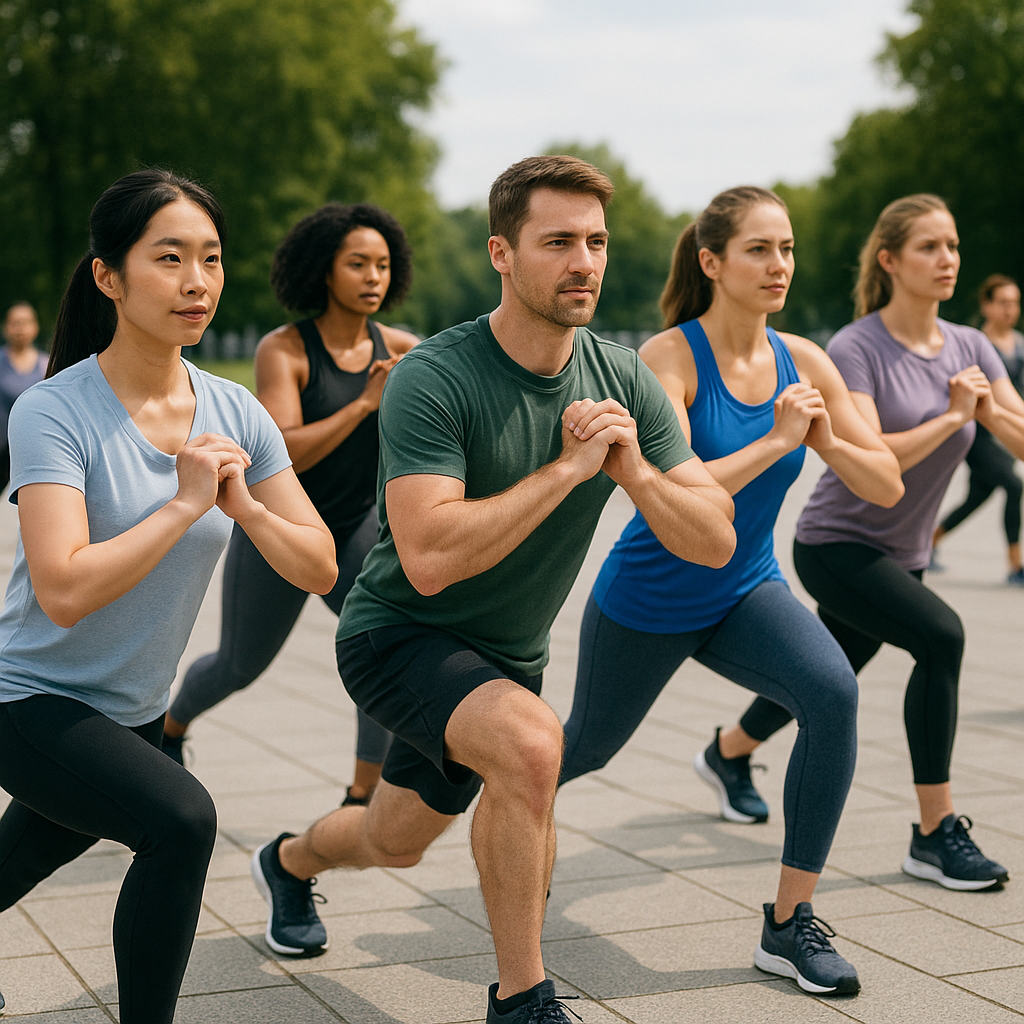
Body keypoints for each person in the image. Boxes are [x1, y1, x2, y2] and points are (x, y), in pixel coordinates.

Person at [250, 155, 737, 1024]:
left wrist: (633, 471)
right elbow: (430, 555)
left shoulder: (622, 378)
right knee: (531, 749)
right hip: (396, 636)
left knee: (390, 841)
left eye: (596, 242)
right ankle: (523, 1001)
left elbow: (714, 538)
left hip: (502, 658)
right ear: (502, 254)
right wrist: (566, 468)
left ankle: (288, 863)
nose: (584, 261)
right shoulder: (434, 376)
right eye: (558, 242)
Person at [0, 169, 337, 1024]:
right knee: (181, 822)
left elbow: (320, 565)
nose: (197, 281)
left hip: (131, 710)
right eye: (170, 258)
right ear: (108, 277)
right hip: (29, 699)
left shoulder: (237, 413)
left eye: (212, 260)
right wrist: (185, 503)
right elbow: (65, 588)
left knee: (18, 861)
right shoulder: (52, 412)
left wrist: (246, 506)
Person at [559, 186, 903, 996]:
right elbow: (671, 486)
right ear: (712, 262)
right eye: (759, 249)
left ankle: (789, 925)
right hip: (648, 596)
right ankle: (499, 808)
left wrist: (823, 437)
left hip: (746, 588)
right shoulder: (667, 360)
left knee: (833, 694)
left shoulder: (805, 361)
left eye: (786, 249)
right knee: (581, 750)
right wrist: (780, 439)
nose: (778, 265)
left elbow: (884, 482)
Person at [722, 194, 1022, 893]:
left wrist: (988, 412)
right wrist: (953, 417)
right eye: (929, 247)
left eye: (952, 246)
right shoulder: (858, 347)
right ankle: (933, 833)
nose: (947, 259)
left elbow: (1014, 430)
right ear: (889, 260)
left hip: (904, 554)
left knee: (830, 671)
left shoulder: (972, 346)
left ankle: (729, 751)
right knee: (941, 637)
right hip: (839, 544)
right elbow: (873, 452)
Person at [163, 203, 417, 804]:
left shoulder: (406, 347)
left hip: (356, 527)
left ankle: (362, 796)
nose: (373, 277)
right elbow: (286, 451)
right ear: (324, 271)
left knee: (382, 641)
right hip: (276, 524)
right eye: (357, 264)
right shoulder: (286, 350)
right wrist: (363, 404)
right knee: (238, 667)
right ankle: (168, 731)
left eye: (382, 265)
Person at [932, 274, 1024, 582]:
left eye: (1014, 303)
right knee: (1014, 485)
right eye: (1003, 303)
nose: (1010, 310)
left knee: (976, 499)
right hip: (980, 436)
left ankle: (930, 541)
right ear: (987, 306)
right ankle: (1016, 565)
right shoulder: (975, 346)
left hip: (1007, 434)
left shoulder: (1021, 345)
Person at [0, 302, 48, 493]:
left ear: (35, 327)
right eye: (15, 323)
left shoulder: (47, 365)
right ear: (6, 327)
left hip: (34, 449)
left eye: (25, 322)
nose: (20, 328)